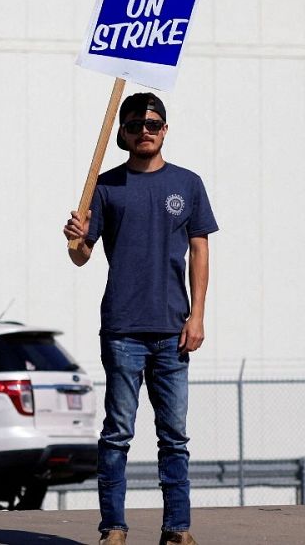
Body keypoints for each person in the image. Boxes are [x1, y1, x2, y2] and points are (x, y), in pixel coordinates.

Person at [63, 92, 216, 545]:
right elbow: (80, 257)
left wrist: (198, 316)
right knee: (117, 435)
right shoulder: (105, 186)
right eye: (134, 125)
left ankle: (177, 529)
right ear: (122, 134)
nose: (144, 131)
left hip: (173, 328)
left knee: (174, 438)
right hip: (123, 330)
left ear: (165, 129)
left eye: (152, 124)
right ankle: (113, 526)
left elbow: (200, 250)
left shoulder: (188, 184)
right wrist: (74, 237)